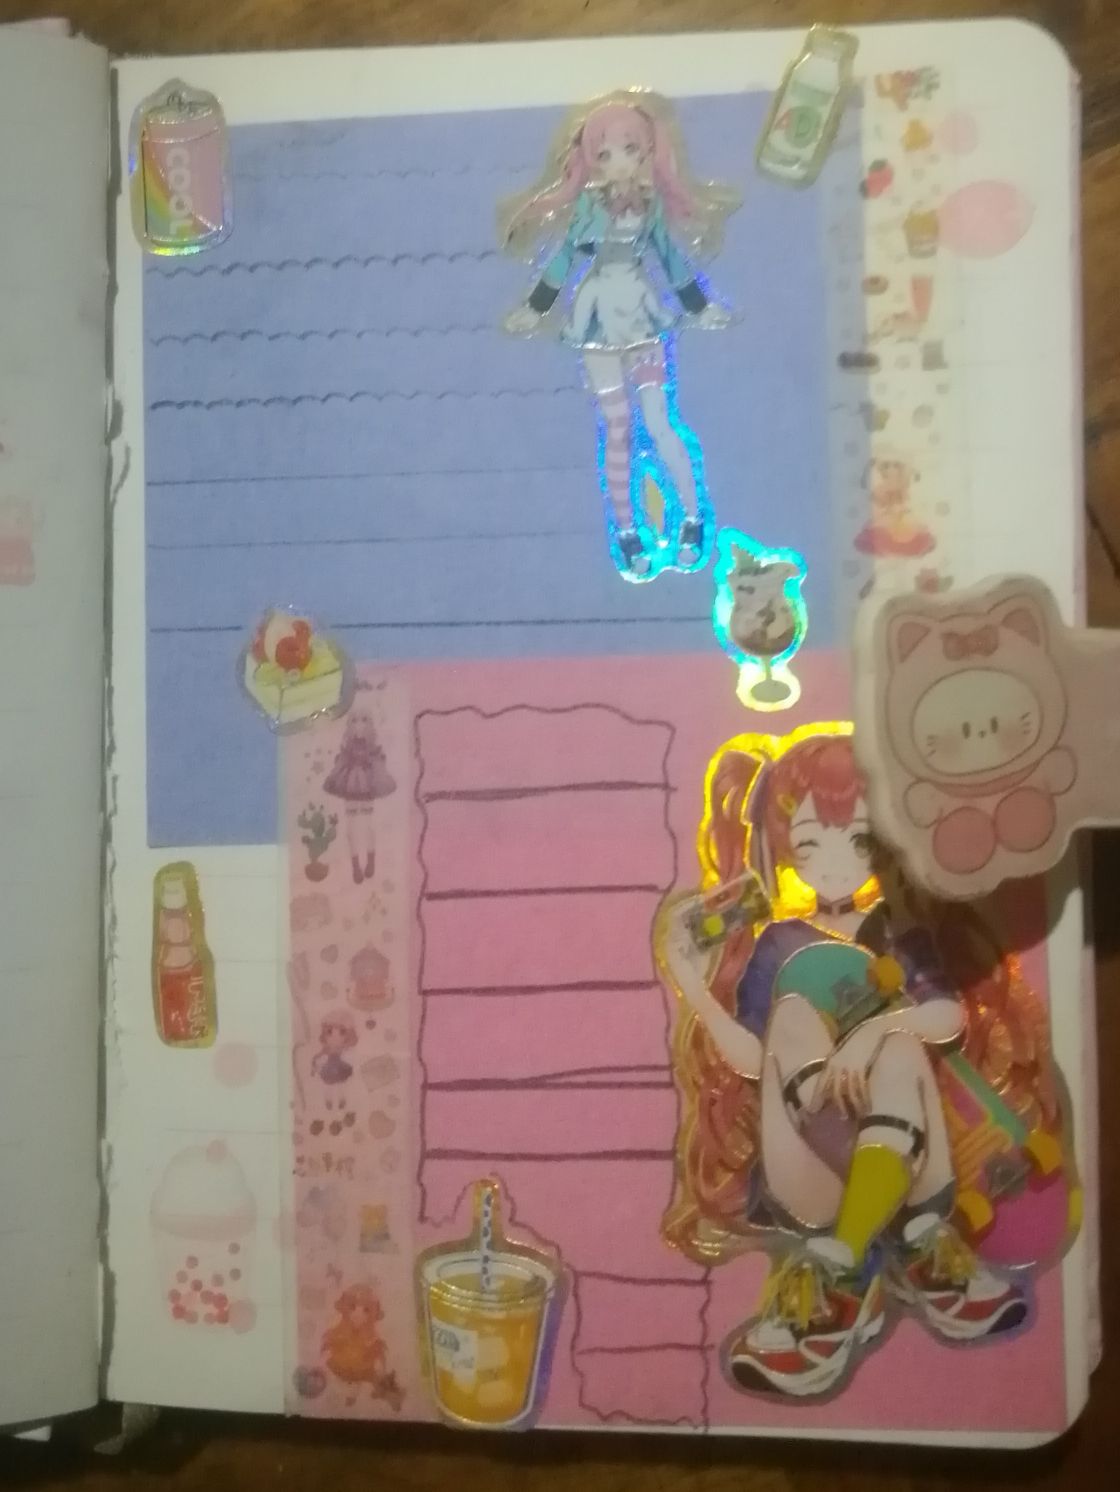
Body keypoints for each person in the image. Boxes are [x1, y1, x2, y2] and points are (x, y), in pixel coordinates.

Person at [657, 730, 1054, 1398]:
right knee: (790, 1016)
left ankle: (840, 1273)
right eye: (813, 844)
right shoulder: (778, 942)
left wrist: (872, 1034)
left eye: (858, 841)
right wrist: (693, 986)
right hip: (812, 1172)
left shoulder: (896, 928)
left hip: (915, 1164)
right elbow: (755, 1060)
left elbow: (947, 1017)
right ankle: (906, 1260)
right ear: (787, 850)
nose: (836, 863)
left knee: (898, 1041)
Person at [501, 91, 739, 578]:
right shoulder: (588, 208)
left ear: (649, 151)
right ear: (590, 160)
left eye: (630, 150)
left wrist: (700, 304)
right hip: (597, 318)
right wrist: (535, 307)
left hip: (641, 312)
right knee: (617, 429)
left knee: (660, 420)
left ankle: (693, 517)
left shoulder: (650, 206)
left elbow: (669, 258)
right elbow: (564, 259)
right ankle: (629, 532)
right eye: (604, 154)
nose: (619, 163)